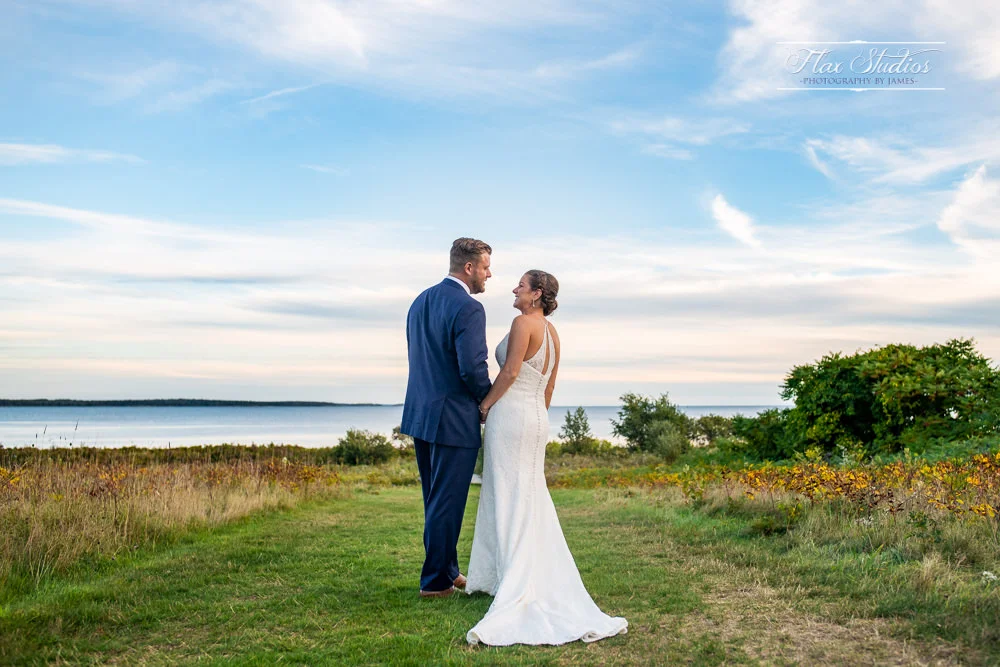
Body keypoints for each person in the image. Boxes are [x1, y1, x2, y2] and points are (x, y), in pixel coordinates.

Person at [465, 269, 628, 645]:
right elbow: (549, 386)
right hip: (536, 416)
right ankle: (509, 573)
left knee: (508, 493)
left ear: (537, 294)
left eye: (521, 285)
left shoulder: (523, 323)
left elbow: (510, 371)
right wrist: (537, 417)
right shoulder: (553, 333)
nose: (514, 289)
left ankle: (515, 579)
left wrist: (485, 406)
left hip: (511, 415)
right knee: (528, 493)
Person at [400, 238, 493, 598]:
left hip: (421, 415)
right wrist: (487, 401)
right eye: (485, 267)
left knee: (435, 499)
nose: (489, 274)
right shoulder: (469, 308)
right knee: (447, 502)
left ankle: (449, 570)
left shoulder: (420, 301)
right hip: (452, 417)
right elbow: (472, 367)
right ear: (469, 268)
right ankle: (436, 582)